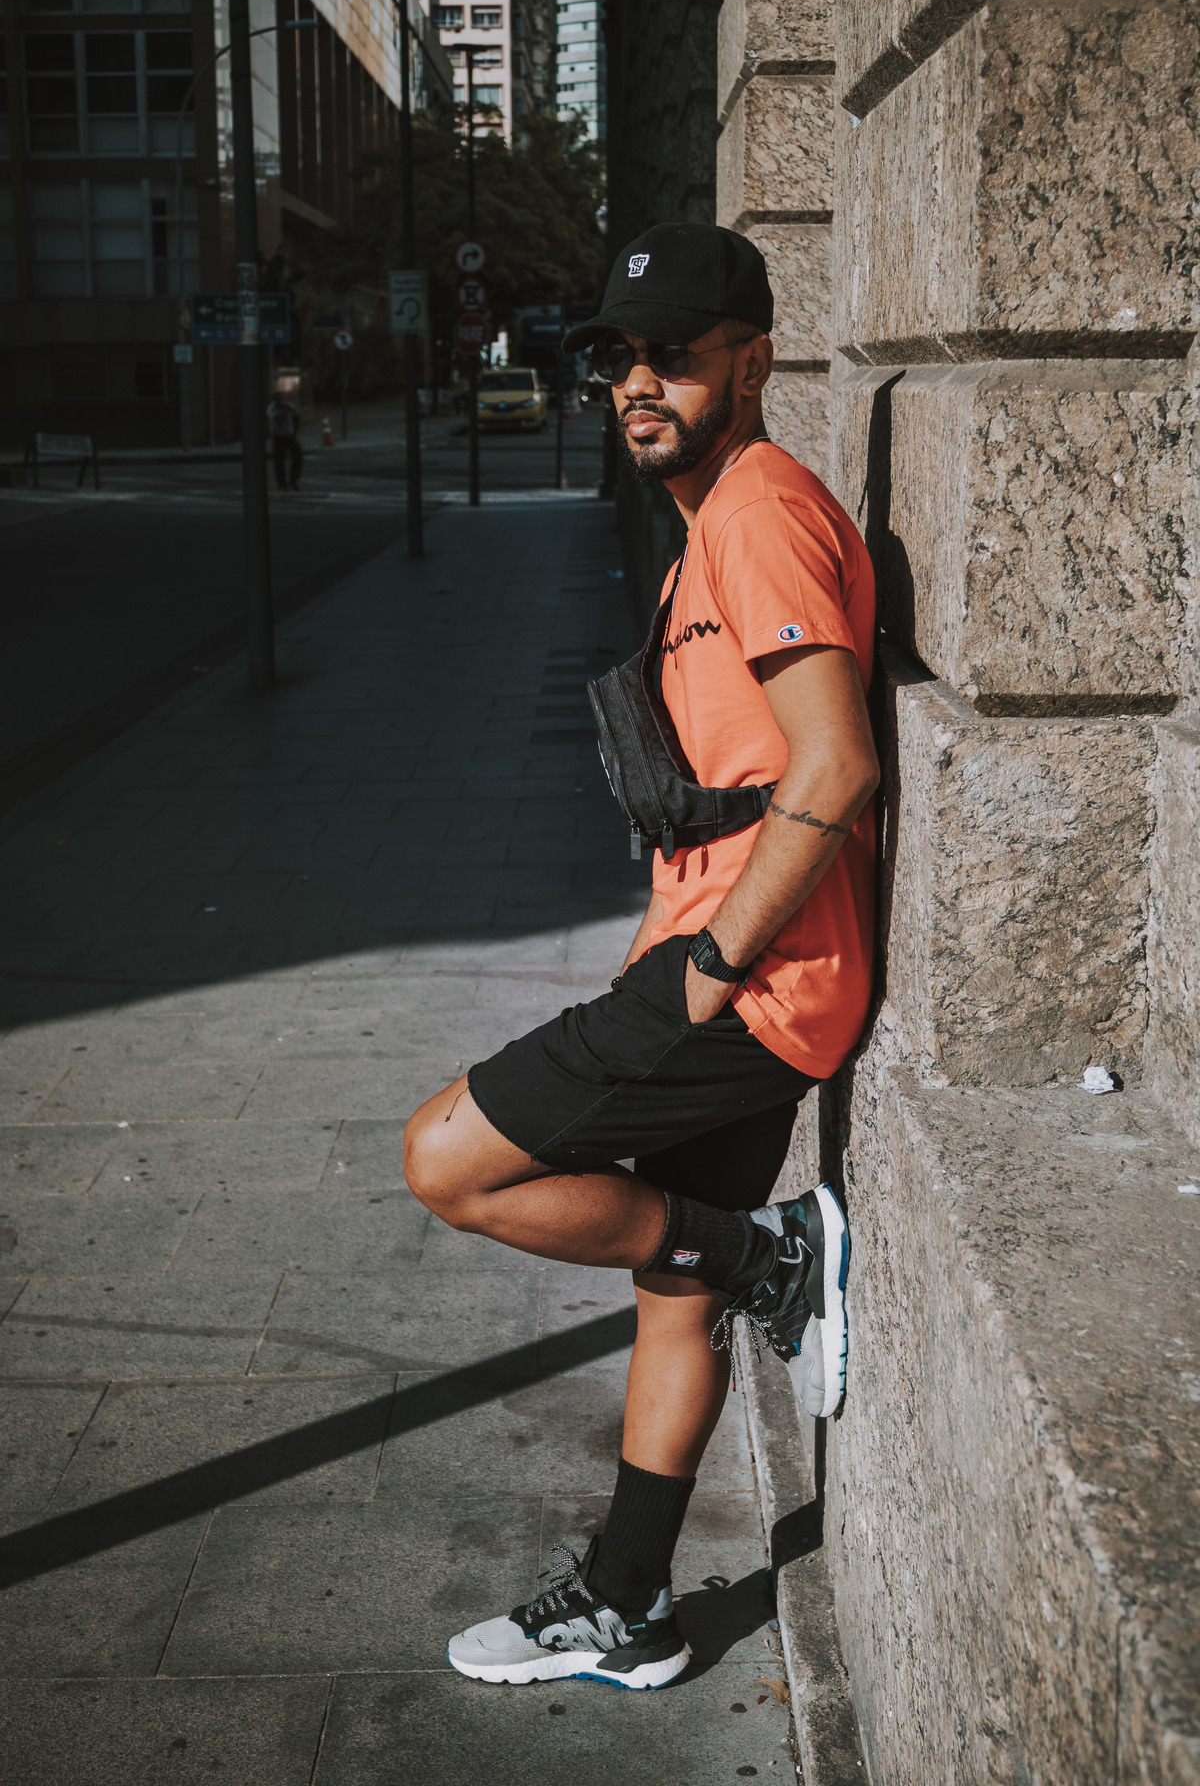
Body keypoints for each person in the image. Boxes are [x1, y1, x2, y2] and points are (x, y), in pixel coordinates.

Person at [404, 222, 879, 1692]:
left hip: (755, 983)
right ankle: (630, 1606)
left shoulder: (759, 513)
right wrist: (671, 935)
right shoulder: (713, 519)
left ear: (755, 359)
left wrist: (707, 964)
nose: (639, 382)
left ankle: (774, 1256)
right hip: (737, 963)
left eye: (673, 353)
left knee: (449, 1161)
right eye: (618, 357)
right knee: (673, 1287)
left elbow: (834, 764)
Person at [267, 393, 303, 491]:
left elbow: (297, 416)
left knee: (297, 457)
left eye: (281, 400)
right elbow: (279, 417)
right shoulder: (272, 408)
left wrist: (295, 430)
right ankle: (282, 484)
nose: (280, 402)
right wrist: (285, 409)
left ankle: (293, 480)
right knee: (279, 461)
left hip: (289, 436)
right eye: (277, 400)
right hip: (278, 437)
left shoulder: (289, 407)